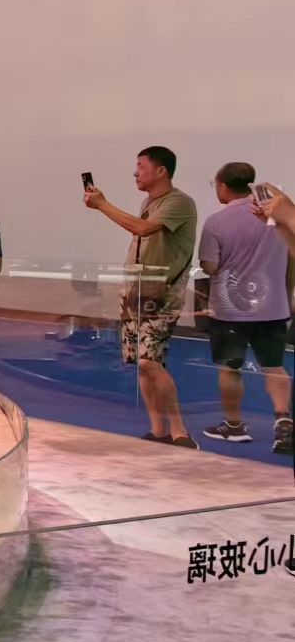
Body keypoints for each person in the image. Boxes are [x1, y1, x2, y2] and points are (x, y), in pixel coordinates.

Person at [85, 145, 199, 447]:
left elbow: (143, 229)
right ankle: (158, 429)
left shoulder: (179, 202)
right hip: (136, 292)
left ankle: (180, 431)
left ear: (161, 170)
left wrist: (102, 204)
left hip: (162, 294)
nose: (135, 173)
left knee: (150, 361)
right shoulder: (149, 202)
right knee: (142, 362)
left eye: (141, 166)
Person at [197, 163, 291, 454]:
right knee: (274, 366)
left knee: (230, 367)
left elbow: (210, 266)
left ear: (223, 185)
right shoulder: (274, 216)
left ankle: (234, 426)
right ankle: (283, 422)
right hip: (273, 306)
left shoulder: (216, 221)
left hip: (229, 310)